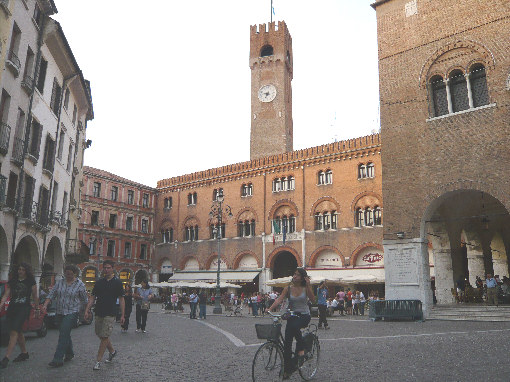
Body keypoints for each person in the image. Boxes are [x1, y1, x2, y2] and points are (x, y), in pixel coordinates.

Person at [267, 268, 315, 379]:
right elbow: (279, 299)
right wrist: (269, 308)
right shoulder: (288, 288)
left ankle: (301, 348)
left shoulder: (305, 288)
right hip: (292, 316)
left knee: (294, 326)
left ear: (302, 278)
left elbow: (313, 300)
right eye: (294, 274)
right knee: (287, 344)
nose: (294, 276)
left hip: (304, 315)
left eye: (297, 275)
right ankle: (287, 370)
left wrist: (308, 285)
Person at [42, 265, 88, 367]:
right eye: (67, 273)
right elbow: (51, 294)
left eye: (70, 274)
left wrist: (84, 312)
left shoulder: (80, 285)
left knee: (63, 334)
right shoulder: (60, 283)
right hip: (59, 312)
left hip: (72, 312)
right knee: (65, 333)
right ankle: (70, 353)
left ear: (74, 273)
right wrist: (45, 305)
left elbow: (84, 300)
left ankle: (58, 359)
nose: (68, 275)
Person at [84, 260, 125, 371]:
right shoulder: (99, 282)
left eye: (108, 268)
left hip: (111, 313)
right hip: (99, 311)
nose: (106, 270)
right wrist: (87, 310)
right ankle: (112, 351)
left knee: (105, 336)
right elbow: (92, 297)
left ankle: (98, 360)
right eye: (105, 268)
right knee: (100, 334)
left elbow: (121, 299)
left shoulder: (117, 283)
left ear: (112, 269)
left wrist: (123, 315)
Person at [0, 263, 39, 369]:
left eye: (22, 269)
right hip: (13, 308)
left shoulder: (30, 281)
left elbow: (35, 296)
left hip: (24, 308)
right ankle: (24, 353)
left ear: (26, 271)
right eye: (19, 269)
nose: (20, 271)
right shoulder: (13, 281)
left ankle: (6, 357)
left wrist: (37, 308)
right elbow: (6, 295)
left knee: (14, 332)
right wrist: (1, 305)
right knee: (18, 331)